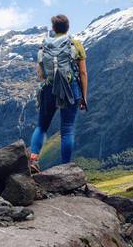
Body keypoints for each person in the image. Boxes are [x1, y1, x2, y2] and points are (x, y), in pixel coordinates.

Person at [29, 14, 88, 172]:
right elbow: (83, 73)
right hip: (70, 89)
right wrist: (83, 96)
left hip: (49, 88)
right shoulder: (75, 44)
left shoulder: (44, 46)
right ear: (68, 27)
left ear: (53, 28)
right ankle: (65, 168)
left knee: (42, 126)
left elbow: (40, 75)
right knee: (67, 128)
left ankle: (33, 160)